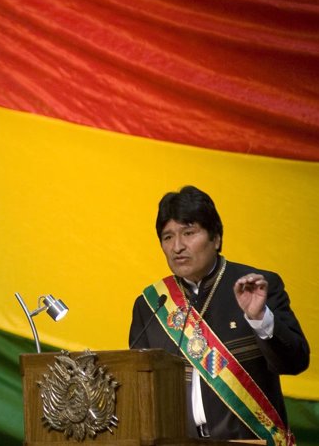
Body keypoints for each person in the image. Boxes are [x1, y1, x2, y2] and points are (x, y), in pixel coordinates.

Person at [129, 186, 309, 444]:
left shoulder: (256, 287)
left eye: (189, 233)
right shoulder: (152, 304)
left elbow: (295, 363)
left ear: (216, 239)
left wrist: (261, 319)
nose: (177, 246)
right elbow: (140, 392)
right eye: (168, 237)